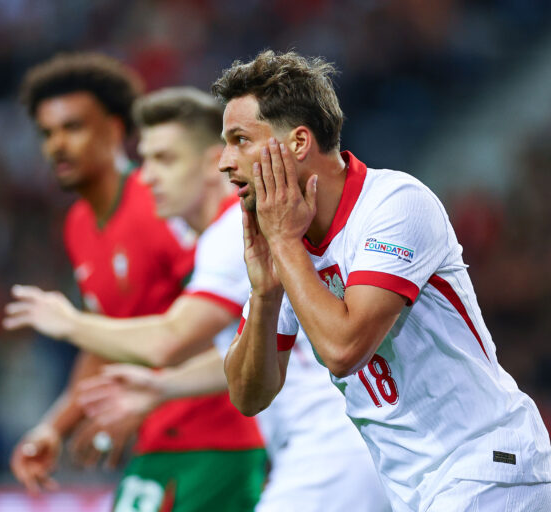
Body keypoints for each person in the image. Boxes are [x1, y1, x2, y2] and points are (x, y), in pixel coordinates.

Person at [5, 86, 390, 511]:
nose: (146, 176)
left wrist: (68, 322)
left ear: (212, 164)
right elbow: (239, 354)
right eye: (146, 159)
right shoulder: (225, 235)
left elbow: (171, 338)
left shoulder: (232, 234)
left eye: (164, 159)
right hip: (318, 447)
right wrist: (163, 387)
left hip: (326, 447)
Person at [214, 50, 551, 511]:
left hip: (488, 466)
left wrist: (287, 248)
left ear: (297, 143)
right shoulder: (286, 244)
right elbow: (248, 395)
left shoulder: (394, 205)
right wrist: (266, 293)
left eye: (240, 140)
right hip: (412, 487)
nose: (225, 163)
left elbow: (344, 351)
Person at [7, 54, 265, 512]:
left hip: (216, 433)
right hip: (156, 433)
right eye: (47, 134)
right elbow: (105, 338)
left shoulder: (166, 209)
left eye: (73, 128)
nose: (57, 146)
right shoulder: (80, 226)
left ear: (113, 129)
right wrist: (55, 425)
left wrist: (70, 326)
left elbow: (212, 324)